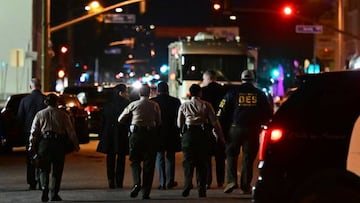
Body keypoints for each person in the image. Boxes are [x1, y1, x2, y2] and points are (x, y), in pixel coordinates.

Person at [217, 70, 273, 194]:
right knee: (248, 158)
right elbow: (268, 112)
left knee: (231, 154)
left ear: (241, 79)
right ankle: (245, 185)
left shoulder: (232, 92)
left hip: (235, 128)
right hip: (252, 130)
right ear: (253, 79)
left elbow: (222, 110)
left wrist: (221, 126)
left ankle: (231, 181)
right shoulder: (260, 94)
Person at [28, 93, 80, 202]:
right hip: (58, 144)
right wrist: (76, 144)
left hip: (44, 143)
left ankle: (44, 189)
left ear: (46, 102)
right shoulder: (63, 115)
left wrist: (31, 146)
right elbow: (70, 131)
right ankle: (54, 193)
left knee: (43, 168)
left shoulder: (40, 114)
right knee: (57, 169)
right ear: (57, 102)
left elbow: (34, 132)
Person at [177, 84, 225, 198]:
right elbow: (214, 122)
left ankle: (188, 184)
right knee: (202, 162)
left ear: (190, 93)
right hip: (202, 134)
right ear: (200, 93)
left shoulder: (184, 106)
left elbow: (179, 123)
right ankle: (201, 189)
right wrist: (220, 136)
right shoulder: (206, 105)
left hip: (188, 134)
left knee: (188, 161)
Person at [118, 84, 161, 200]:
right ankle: (146, 192)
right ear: (149, 93)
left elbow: (120, 119)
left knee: (135, 160)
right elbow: (159, 121)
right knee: (149, 163)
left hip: (136, 134)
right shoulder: (155, 105)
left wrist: (131, 124)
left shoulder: (133, 104)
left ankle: (137, 183)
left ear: (139, 94)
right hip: (150, 135)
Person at [96, 84, 130, 189]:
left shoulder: (108, 104)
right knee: (121, 158)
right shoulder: (126, 104)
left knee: (110, 158)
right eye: (126, 91)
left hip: (109, 133)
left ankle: (111, 181)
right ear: (121, 92)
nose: (127, 94)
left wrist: (101, 134)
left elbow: (102, 121)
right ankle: (119, 181)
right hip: (122, 133)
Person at [150, 81, 181, 190]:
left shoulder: (153, 102)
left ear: (158, 90)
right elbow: (179, 117)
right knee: (170, 157)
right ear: (168, 90)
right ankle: (170, 181)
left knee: (159, 156)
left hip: (158, 132)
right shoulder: (176, 101)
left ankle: (162, 182)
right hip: (172, 132)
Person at [17, 78, 46, 190]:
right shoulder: (45, 99)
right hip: (42, 133)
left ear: (30, 87)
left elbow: (20, 118)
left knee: (30, 157)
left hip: (28, 133)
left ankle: (31, 182)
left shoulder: (25, 100)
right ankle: (42, 180)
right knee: (42, 156)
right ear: (41, 85)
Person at [201, 70, 227, 189]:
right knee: (220, 156)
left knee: (206, 156)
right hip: (222, 125)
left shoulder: (203, 91)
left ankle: (207, 181)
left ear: (207, 78)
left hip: (207, 127)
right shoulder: (224, 90)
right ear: (215, 78)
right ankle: (221, 181)